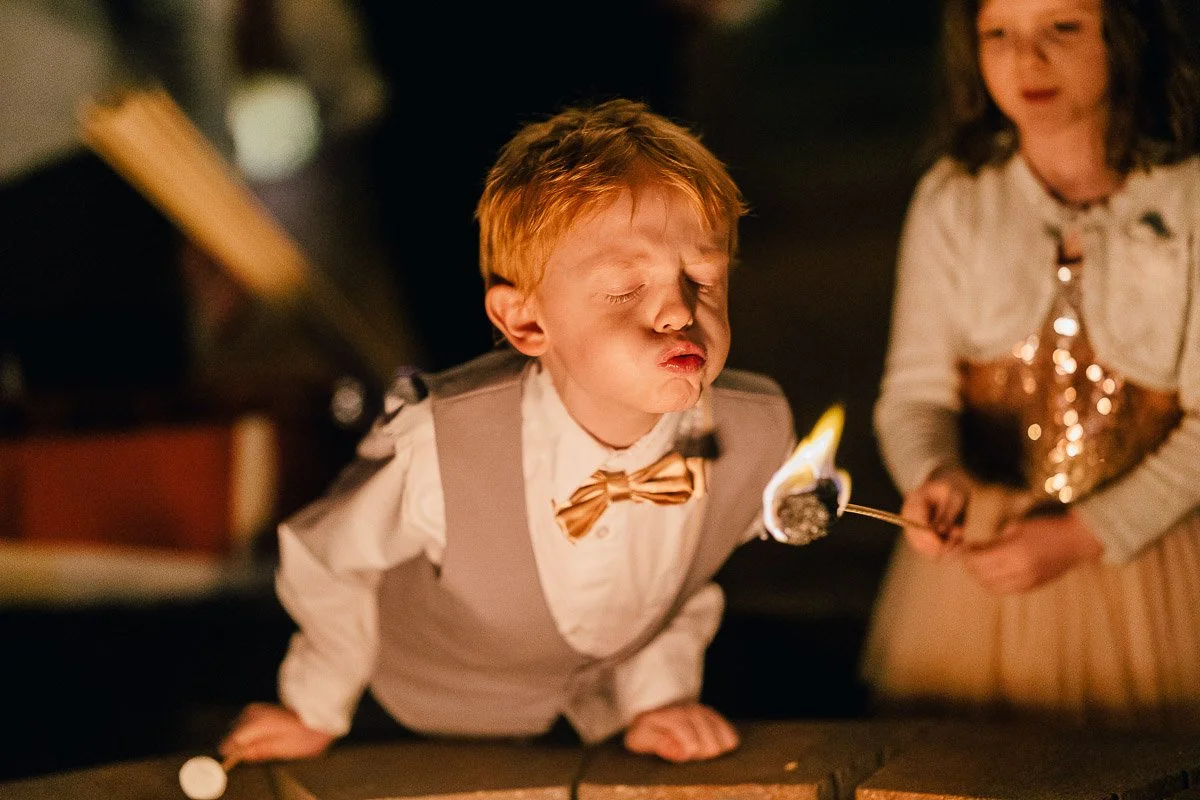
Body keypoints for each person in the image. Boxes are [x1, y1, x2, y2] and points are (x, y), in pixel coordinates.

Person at [219, 98, 797, 764]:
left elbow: (690, 576)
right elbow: (328, 558)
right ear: (525, 322)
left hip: (600, 731)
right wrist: (316, 704)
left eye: (702, 277)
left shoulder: (756, 436)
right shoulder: (444, 445)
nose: (677, 310)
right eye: (623, 286)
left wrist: (657, 696)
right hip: (420, 715)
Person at [862, 0, 1200, 730]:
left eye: (1063, 28)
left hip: (1153, 563)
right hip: (985, 571)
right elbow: (914, 392)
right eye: (998, 35)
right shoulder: (955, 202)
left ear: (1126, 33)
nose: (1027, 59)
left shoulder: (1188, 198)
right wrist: (934, 474)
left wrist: (1086, 534)